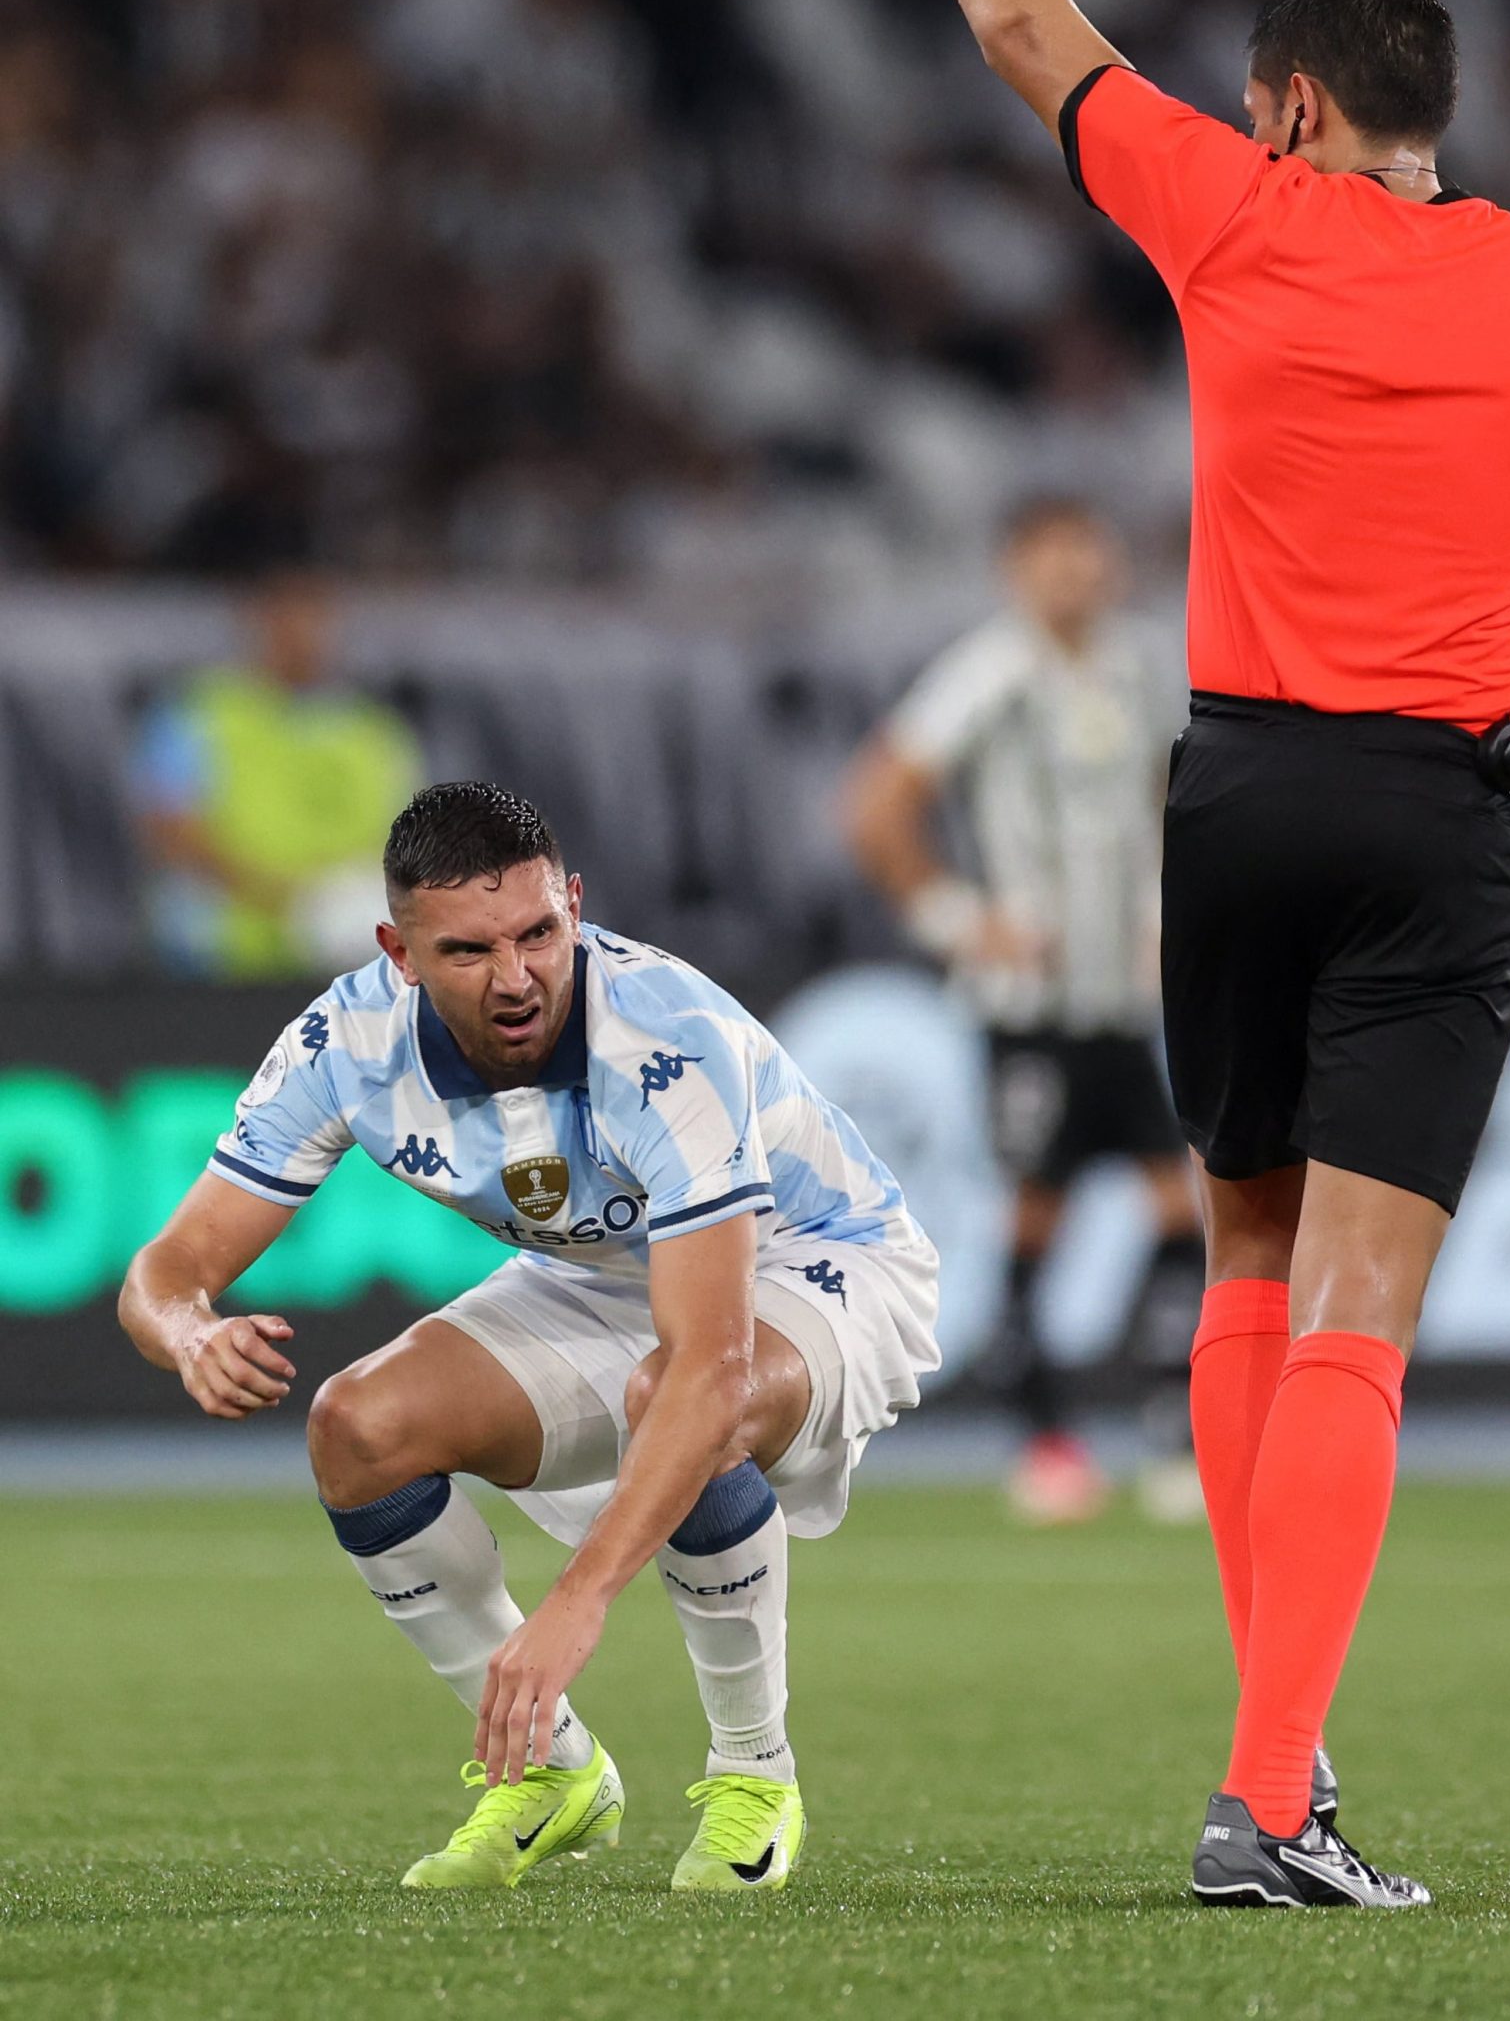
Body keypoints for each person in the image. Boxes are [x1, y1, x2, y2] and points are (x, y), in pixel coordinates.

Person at [870, 0, 1510, 1909]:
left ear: (1290, 109)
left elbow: (1030, 35)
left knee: (1241, 1252)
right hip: (1447, 806)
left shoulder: (1234, 216)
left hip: (1225, 794)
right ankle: (1265, 1787)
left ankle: (1280, 1764)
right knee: (1358, 1309)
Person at [119, 780, 940, 1894]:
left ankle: (756, 1772)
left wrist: (577, 1601)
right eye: (468, 950)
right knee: (359, 1428)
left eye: (538, 933)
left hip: (823, 1262)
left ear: (575, 905)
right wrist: (187, 1333)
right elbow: (164, 1274)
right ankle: (552, 1774)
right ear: (398, 953)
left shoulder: (662, 1039)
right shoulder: (345, 1040)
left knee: (682, 1399)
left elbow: (712, 1363)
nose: (515, 977)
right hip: (601, 1273)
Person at [841, 495, 1199, 1523]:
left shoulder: (1140, 669)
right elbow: (876, 801)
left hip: (1119, 1001)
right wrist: (957, 917)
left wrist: (1165, 908)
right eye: (1052, 560)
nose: (1073, 577)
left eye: (1088, 557)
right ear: (1015, 570)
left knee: (1180, 1207)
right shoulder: (988, 670)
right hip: (1027, 1007)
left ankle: (1174, 1435)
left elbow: (1169, 799)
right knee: (1035, 1213)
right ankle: (1044, 1441)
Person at [131, 570, 422, 978]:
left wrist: (337, 900)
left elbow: (407, 842)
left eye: (312, 617)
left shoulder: (374, 734)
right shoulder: (196, 714)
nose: (300, 633)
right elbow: (169, 832)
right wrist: (283, 899)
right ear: (256, 622)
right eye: (284, 616)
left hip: (340, 959)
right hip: (217, 957)